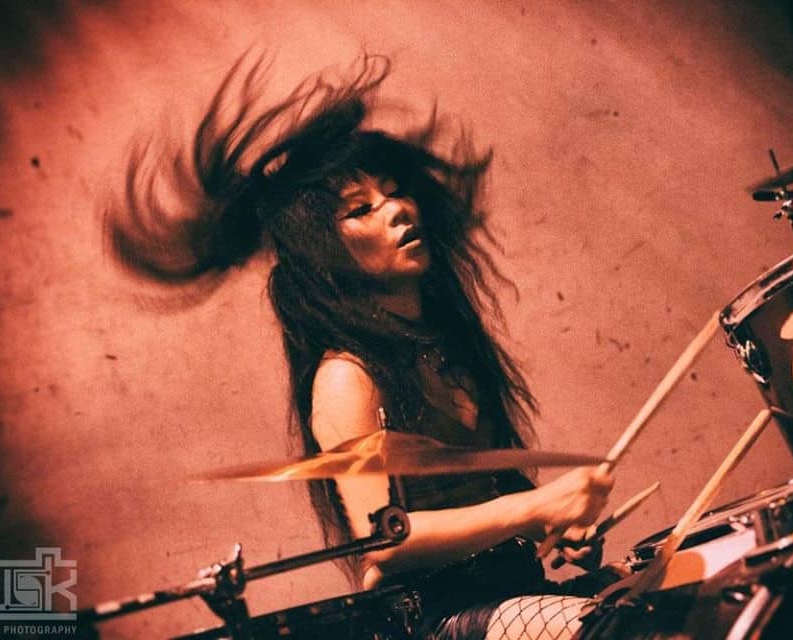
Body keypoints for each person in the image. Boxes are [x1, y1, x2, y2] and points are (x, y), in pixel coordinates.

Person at [106, 54, 617, 640]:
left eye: (395, 193)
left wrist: (557, 525)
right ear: (325, 251)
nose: (396, 210)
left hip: (516, 590)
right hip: (442, 618)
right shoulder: (348, 377)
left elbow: (489, 494)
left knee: (668, 601)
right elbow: (385, 540)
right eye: (361, 209)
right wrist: (537, 508)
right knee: (611, 628)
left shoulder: (449, 347)